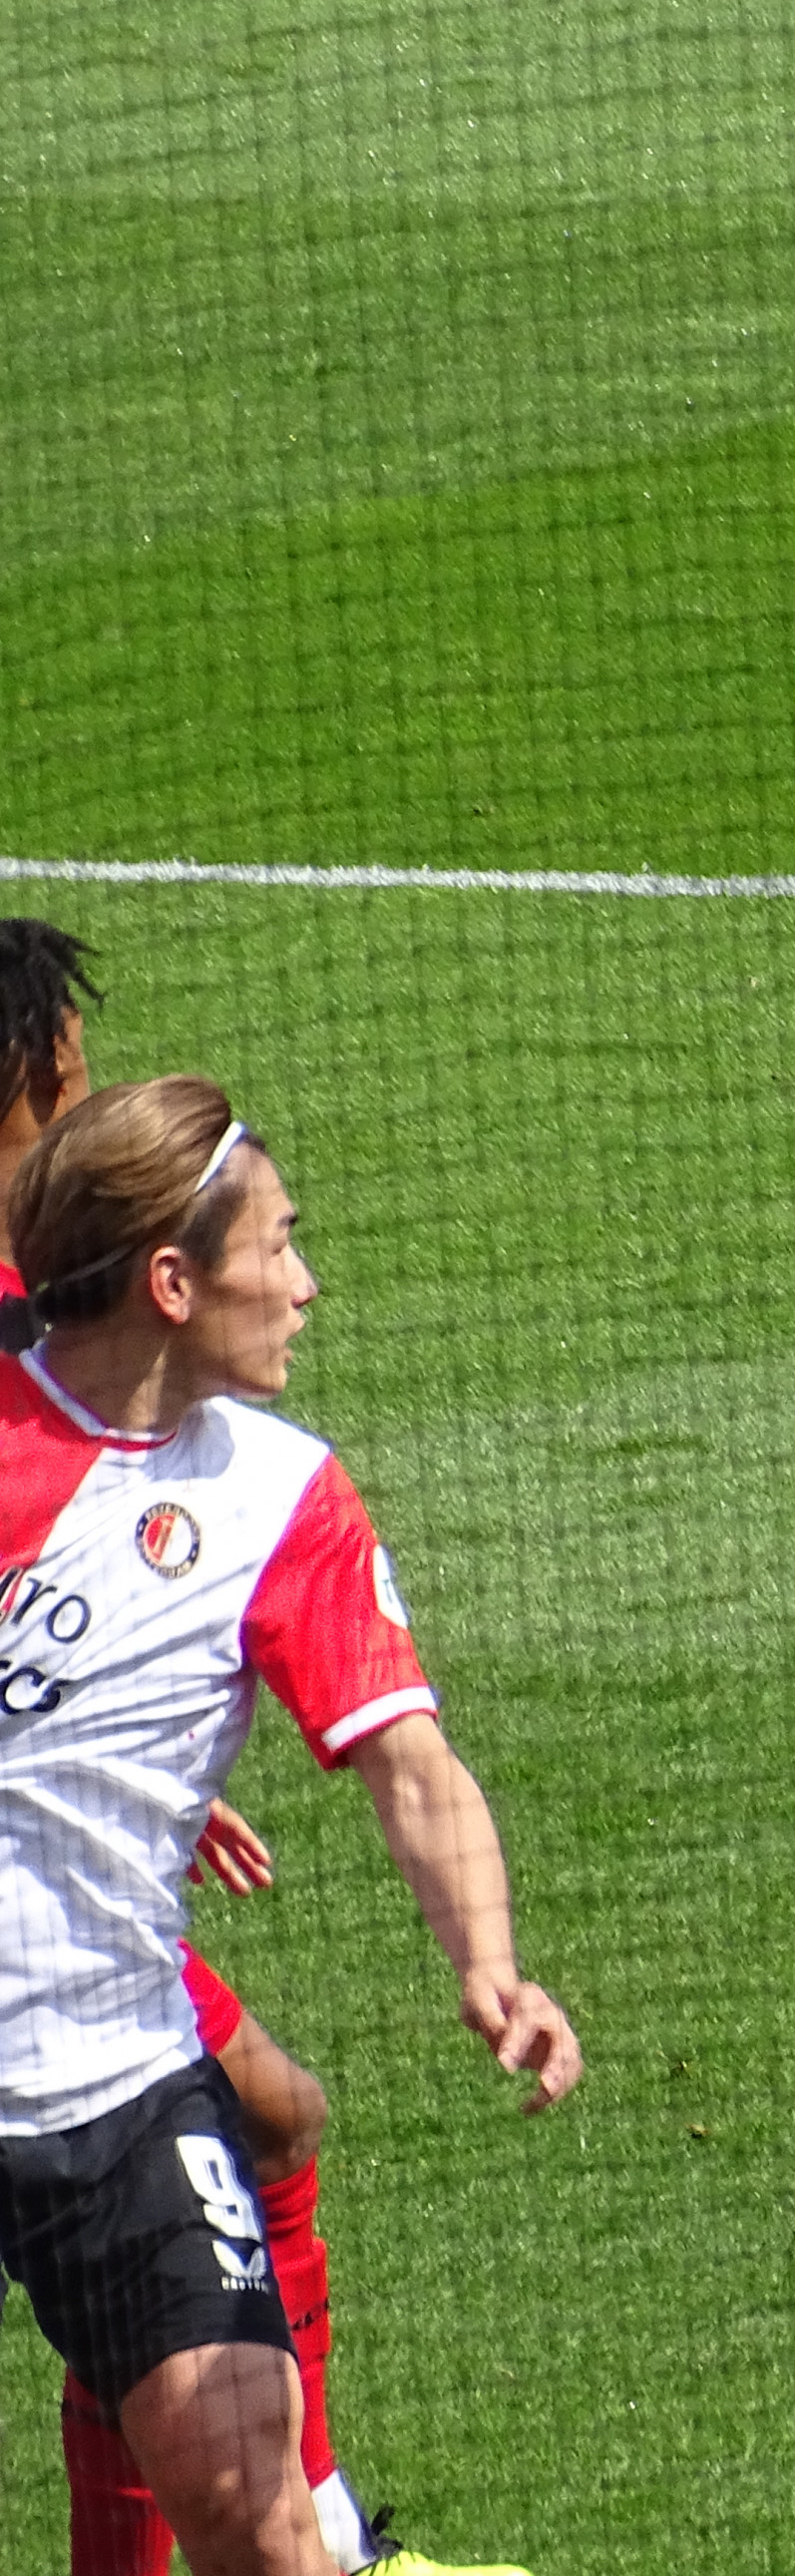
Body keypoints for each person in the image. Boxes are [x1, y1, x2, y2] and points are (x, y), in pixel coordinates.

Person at [1, 1076, 583, 2576]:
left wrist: (491, 1960)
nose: (309, 1286)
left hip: (108, 2083)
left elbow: (409, 1762)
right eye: (284, 1246)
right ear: (175, 1284)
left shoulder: (282, 1494)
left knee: (264, 2517)